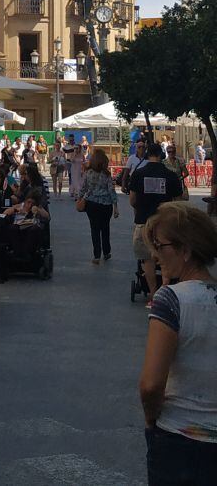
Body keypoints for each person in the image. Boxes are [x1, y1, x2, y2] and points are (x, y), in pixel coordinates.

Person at [138, 202, 217, 485]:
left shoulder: (171, 300)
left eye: (160, 246)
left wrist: (151, 419)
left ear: (185, 250)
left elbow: (151, 384)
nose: (155, 254)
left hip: (181, 439)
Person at [130, 143, 185, 302]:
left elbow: (132, 200)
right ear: (161, 155)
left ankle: (154, 293)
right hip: (165, 222)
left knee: (147, 258)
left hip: (143, 221)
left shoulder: (139, 174)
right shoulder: (171, 174)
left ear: (147, 155)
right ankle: (166, 289)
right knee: (165, 256)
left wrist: (141, 207)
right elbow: (178, 201)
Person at [77, 148, 118, 263]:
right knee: (105, 228)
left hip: (92, 204)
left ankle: (96, 255)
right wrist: (115, 206)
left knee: (94, 229)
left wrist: (79, 198)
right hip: (106, 205)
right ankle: (106, 252)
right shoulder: (107, 174)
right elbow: (111, 190)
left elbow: (83, 187)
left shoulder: (88, 173)